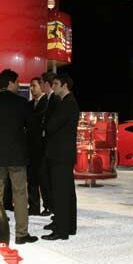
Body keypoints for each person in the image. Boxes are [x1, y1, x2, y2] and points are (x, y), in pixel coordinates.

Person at [0, 69, 37, 245]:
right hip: (18, 157)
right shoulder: (22, 103)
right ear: (10, 83)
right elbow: (32, 128)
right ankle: (21, 234)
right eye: (17, 82)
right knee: (20, 194)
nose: (19, 85)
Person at [41, 73, 79, 241]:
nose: (53, 86)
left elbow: (51, 126)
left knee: (62, 193)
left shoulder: (67, 103)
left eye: (56, 84)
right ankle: (69, 227)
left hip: (61, 155)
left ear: (64, 86)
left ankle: (61, 230)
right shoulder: (67, 102)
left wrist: (46, 125)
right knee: (67, 192)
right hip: (63, 155)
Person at [38, 71, 59, 217]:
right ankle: (50, 206)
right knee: (45, 177)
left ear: (46, 83)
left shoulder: (55, 99)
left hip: (52, 147)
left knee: (49, 178)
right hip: (47, 145)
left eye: (40, 83)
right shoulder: (48, 99)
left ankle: (52, 207)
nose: (40, 86)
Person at [26, 77, 47, 215]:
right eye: (30, 86)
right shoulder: (29, 104)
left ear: (41, 86)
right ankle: (34, 207)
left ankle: (48, 206)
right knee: (32, 179)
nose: (32, 89)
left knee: (44, 180)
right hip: (31, 149)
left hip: (44, 148)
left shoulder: (48, 102)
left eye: (34, 86)